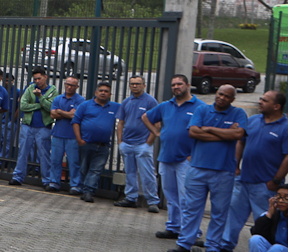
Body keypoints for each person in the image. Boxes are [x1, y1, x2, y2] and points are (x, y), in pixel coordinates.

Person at [169, 85, 248, 252]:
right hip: (197, 168)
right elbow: (193, 132)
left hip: (224, 171)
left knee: (219, 211)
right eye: (220, 94)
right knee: (191, 209)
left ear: (232, 99)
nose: (222, 98)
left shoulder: (239, 113)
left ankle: (212, 247)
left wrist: (208, 129)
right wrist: (225, 133)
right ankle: (184, 244)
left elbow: (238, 135)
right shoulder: (202, 109)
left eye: (227, 96)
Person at [220, 88, 288, 248]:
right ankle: (225, 245)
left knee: (265, 218)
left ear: (276, 106)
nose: (260, 102)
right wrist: (236, 167)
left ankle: (265, 248)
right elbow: (240, 142)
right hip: (243, 180)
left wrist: (276, 180)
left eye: (264, 100)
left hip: (265, 184)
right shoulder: (253, 120)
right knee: (233, 213)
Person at [145, 74, 203, 242]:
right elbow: (145, 117)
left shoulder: (199, 106)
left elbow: (204, 131)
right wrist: (156, 132)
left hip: (186, 159)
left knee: (188, 199)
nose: (176, 87)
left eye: (179, 84)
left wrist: (195, 153)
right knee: (171, 197)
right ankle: (173, 227)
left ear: (188, 85)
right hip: (166, 157)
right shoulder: (165, 106)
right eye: (173, 84)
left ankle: (191, 233)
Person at [114, 74, 161, 212]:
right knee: (130, 173)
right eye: (132, 83)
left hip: (142, 145)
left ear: (144, 85)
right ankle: (131, 198)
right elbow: (120, 123)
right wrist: (120, 142)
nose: (135, 86)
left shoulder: (151, 102)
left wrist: (148, 143)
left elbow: (157, 125)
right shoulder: (126, 102)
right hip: (127, 144)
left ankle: (152, 201)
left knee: (147, 174)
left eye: (138, 84)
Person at [71, 81, 119, 203]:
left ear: (110, 94)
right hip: (86, 143)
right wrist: (79, 140)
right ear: (96, 92)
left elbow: (128, 114)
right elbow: (76, 122)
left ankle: (88, 192)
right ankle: (84, 189)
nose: (103, 93)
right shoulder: (85, 105)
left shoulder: (115, 107)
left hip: (103, 146)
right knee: (83, 168)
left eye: (106, 91)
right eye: (101, 90)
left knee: (96, 169)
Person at [14, 69, 57, 187]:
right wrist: (40, 105)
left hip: (43, 127)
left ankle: (47, 180)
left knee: (44, 154)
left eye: (39, 78)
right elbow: (23, 105)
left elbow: (50, 107)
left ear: (45, 77)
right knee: (22, 152)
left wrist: (41, 98)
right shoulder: (30, 88)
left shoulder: (52, 91)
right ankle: (18, 177)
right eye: (35, 79)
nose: (37, 81)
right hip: (28, 125)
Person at [45, 75, 84, 193]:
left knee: (73, 162)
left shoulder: (80, 100)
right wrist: (68, 114)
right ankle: (54, 183)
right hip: (58, 134)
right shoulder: (58, 99)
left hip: (73, 136)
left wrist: (60, 112)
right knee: (55, 160)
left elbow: (75, 116)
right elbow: (52, 115)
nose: (69, 87)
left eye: (72, 85)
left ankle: (75, 185)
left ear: (77, 86)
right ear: (64, 84)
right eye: (68, 84)